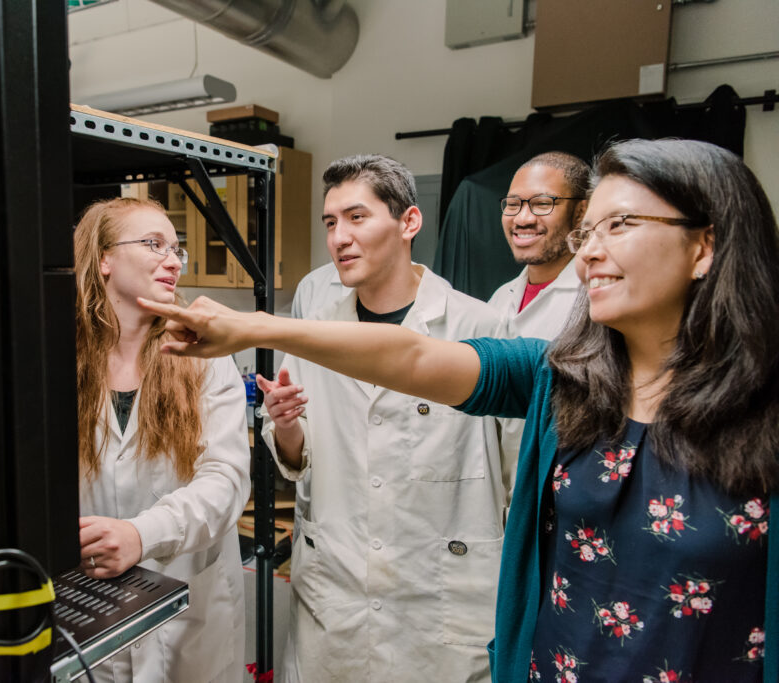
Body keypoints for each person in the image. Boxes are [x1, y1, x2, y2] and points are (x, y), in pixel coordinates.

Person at [139, 139, 779, 683]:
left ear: (705, 246)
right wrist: (259, 332)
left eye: (621, 225)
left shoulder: (761, 412)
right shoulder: (560, 380)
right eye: (587, 232)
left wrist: (257, 327)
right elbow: (415, 358)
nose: (587, 253)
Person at [258, 154, 514, 682]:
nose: (339, 238)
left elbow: (515, 465)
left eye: (357, 217)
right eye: (330, 223)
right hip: (336, 594)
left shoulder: (479, 325)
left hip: (441, 594)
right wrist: (286, 428)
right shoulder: (316, 333)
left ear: (409, 223)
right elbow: (297, 459)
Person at [74, 197, 250, 683]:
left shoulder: (204, 354)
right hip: (92, 609)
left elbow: (227, 481)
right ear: (104, 258)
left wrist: (139, 535)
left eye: (177, 250)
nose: (173, 260)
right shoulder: (59, 357)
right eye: (154, 245)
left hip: (189, 606)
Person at [489, 152, 589, 338]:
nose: (522, 219)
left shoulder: (595, 297)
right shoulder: (500, 297)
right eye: (512, 204)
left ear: (580, 213)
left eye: (543, 203)